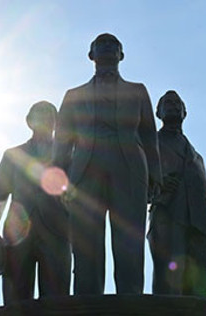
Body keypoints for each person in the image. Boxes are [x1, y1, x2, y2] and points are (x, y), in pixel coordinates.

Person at [53, 33, 162, 295]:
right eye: (100, 44)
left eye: (113, 44)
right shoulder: (73, 95)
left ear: (121, 55)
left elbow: (149, 134)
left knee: (129, 240)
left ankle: (130, 299)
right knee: (86, 241)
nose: (107, 47)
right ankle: (87, 302)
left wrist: (155, 175)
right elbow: (63, 140)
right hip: (85, 170)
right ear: (91, 55)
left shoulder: (137, 91)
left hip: (130, 168)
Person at [0, 101, 70, 303]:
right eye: (40, 114)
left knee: (57, 302)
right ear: (29, 121)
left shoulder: (68, 155)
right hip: (16, 233)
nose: (46, 119)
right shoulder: (12, 156)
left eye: (50, 115)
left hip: (57, 231)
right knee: (16, 302)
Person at [148, 90, 206, 297]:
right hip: (168, 214)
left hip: (199, 221)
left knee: (198, 278)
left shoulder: (197, 156)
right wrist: (155, 188)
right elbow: (134, 176)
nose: (174, 106)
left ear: (185, 112)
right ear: (158, 112)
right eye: (167, 103)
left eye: (178, 104)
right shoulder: (150, 144)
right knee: (170, 278)